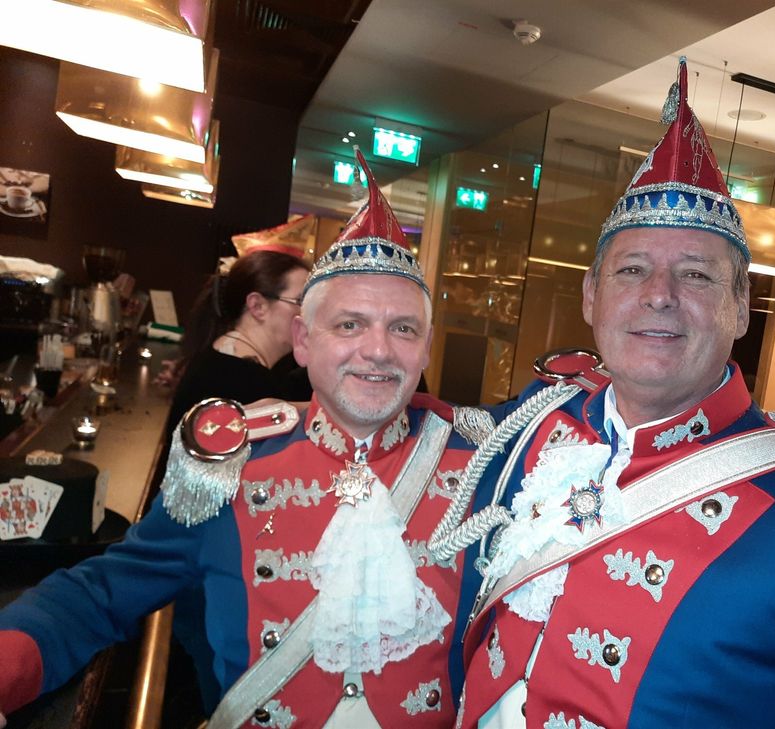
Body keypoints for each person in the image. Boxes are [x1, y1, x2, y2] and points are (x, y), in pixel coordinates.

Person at [434, 58, 775, 729]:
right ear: (591, 297)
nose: (659, 294)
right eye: (633, 268)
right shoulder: (530, 426)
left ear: (742, 307)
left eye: (697, 275)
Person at [0, 149, 496, 728]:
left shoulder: (483, 463)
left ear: (427, 349)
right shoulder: (229, 464)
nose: (380, 350)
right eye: (350, 324)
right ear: (304, 342)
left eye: (403, 328)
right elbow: (102, 593)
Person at [165, 247, 313, 436]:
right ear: (257, 306)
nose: (311, 313)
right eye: (301, 301)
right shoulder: (245, 381)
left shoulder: (225, 356)